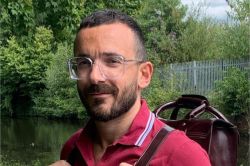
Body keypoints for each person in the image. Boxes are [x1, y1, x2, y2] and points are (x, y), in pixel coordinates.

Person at [50, 9, 211, 166]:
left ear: (144, 75)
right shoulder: (72, 147)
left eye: (112, 61)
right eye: (84, 63)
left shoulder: (184, 157)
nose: (94, 77)